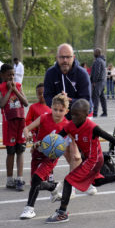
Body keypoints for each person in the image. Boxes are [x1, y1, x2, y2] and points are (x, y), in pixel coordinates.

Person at [45, 99, 115, 223]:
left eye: (77, 115)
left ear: (86, 115)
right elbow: (57, 138)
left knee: (68, 180)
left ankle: (62, 213)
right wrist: (46, 146)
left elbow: (112, 139)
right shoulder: (70, 125)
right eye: (72, 114)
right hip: (90, 159)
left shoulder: (92, 127)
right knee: (96, 181)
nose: (74, 117)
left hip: (95, 159)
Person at [43, 43, 94, 195]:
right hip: (61, 121)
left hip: (80, 119)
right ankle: (74, 185)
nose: (65, 60)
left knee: (81, 155)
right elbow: (47, 97)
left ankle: (84, 180)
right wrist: (58, 102)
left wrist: (69, 101)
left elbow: (86, 101)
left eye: (68, 57)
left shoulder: (82, 74)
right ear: (57, 58)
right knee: (72, 154)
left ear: (73, 57)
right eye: (62, 57)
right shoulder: (51, 74)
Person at [20, 93, 70, 219]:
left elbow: (68, 144)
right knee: (35, 183)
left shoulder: (67, 125)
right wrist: (28, 135)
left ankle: (29, 208)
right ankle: (53, 186)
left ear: (66, 111)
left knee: (36, 179)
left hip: (51, 157)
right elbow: (26, 128)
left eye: (61, 110)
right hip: (37, 152)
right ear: (51, 107)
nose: (57, 113)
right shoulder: (44, 117)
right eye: (55, 109)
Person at [0, 63, 29, 191]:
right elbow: (1, 104)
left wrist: (15, 90)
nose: (11, 77)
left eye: (13, 75)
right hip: (9, 123)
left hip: (20, 122)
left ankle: (19, 178)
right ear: (2, 75)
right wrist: (9, 90)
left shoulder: (18, 86)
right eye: (9, 75)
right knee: (10, 152)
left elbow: (25, 103)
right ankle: (9, 179)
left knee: (20, 150)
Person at [90, 48, 107, 117]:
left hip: (98, 81)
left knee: (96, 97)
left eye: (94, 52)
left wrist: (94, 81)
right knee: (102, 97)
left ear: (96, 53)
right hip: (102, 81)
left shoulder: (98, 61)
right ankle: (105, 112)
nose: (93, 54)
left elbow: (97, 72)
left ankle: (95, 112)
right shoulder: (102, 61)